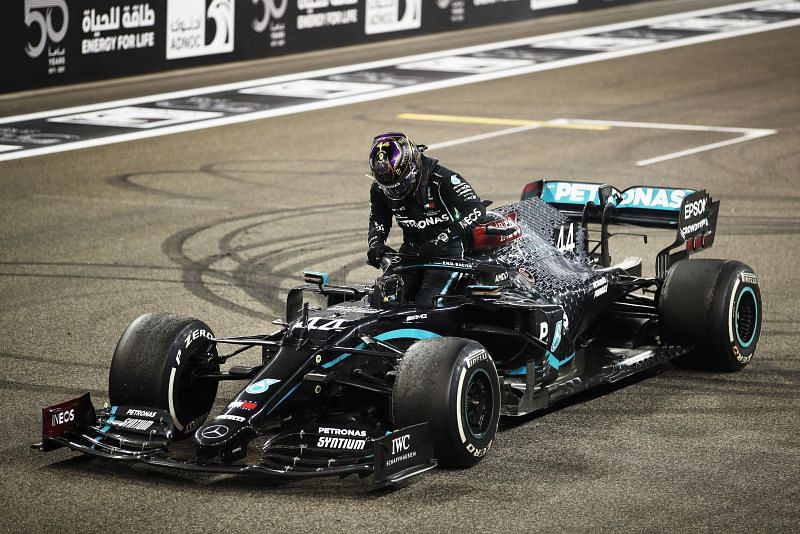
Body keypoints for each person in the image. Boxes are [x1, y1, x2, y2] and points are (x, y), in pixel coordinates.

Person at [366, 132, 487, 307]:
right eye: (388, 188)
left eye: (399, 184)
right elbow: (378, 220)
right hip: (410, 254)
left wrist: (441, 240)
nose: (394, 192)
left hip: (446, 255)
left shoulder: (443, 179)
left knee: (427, 304)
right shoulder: (378, 189)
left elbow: (476, 209)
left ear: (412, 167)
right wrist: (375, 244)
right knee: (383, 301)